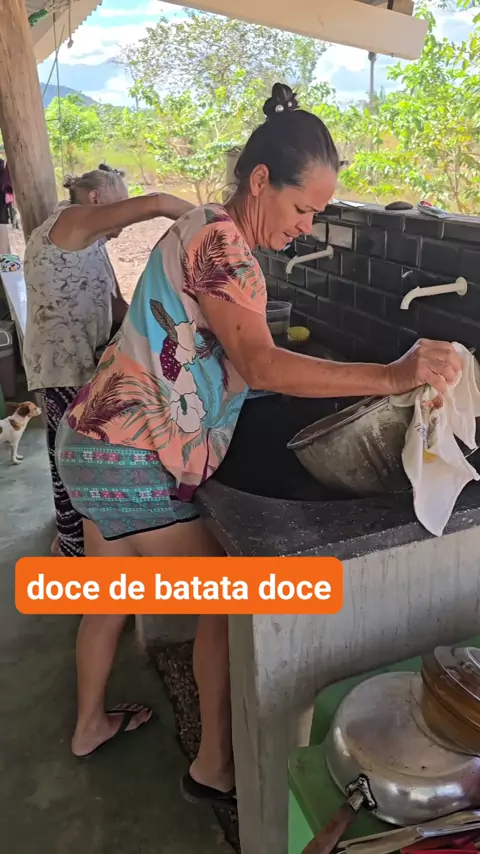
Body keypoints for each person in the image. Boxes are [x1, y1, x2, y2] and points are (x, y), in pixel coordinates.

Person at [55, 84, 461, 800]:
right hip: (130, 456)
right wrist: (394, 376)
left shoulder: (204, 226)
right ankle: (214, 767)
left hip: (92, 441)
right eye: (302, 208)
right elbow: (263, 365)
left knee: (110, 593)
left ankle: (89, 725)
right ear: (261, 180)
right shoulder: (223, 244)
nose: (307, 226)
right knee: (227, 599)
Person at [22, 164, 194, 558]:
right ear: (96, 199)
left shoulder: (90, 241)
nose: (123, 218)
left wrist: (163, 329)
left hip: (85, 361)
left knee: (80, 456)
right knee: (72, 457)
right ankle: (74, 548)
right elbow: (157, 202)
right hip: (61, 365)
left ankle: (83, 537)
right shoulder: (71, 220)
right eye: (120, 204)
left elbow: (114, 304)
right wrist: (216, 222)